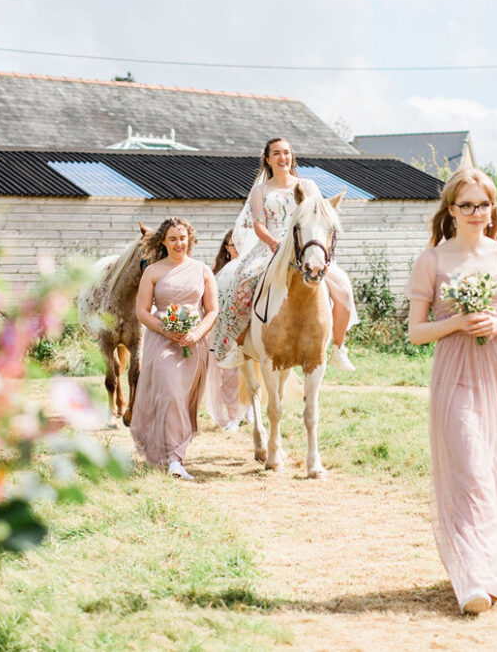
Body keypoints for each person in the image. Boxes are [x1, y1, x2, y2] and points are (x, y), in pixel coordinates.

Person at [406, 167, 497, 615]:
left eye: (482, 204)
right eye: (466, 204)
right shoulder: (432, 261)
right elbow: (416, 332)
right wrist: (457, 322)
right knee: (471, 470)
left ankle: (496, 569)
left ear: (493, 209)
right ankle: (472, 579)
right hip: (455, 375)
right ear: (451, 210)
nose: (475, 212)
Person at [214, 137, 357, 371]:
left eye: (287, 153)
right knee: (242, 282)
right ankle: (238, 346)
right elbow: (259, 225)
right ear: (268, 159)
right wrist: (273, 243)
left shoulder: (308, 186)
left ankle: (339, 348)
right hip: (272, 247)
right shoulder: (261, 190)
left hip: (305, 247)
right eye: (277, 153)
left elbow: (319, 216)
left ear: (292, 156)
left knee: (344, 288)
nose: (283, 158)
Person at [130, 217, 218, 480]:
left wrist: (196, 333)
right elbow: (142, 312)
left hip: (194, 343)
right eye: (173, 239)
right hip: (162, 340)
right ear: (164, 242)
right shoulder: (153, 271)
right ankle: (175, 460)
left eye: (182, 238)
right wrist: (164, 329)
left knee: (181, 398)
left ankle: (173, 454)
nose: (179, 243)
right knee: (170, 392)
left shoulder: (203, 270)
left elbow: (212, 310)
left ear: (189, 239)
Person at [205, 230, 250, 432]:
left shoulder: (250, 270)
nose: (236, 249)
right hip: (224, 329)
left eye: (240, 244)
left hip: (247, 326)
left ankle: (249, 407)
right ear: (226, 248)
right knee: (229, 374)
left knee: (250, 370)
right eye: (232, 245)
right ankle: (233, 416)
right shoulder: (217, 272)